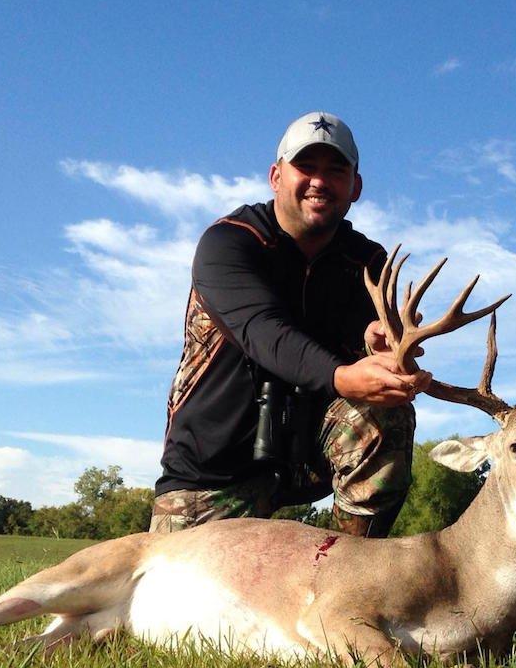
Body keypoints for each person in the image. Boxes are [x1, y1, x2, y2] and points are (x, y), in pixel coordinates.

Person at [150, 111, 430, 538]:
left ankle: (347, 582)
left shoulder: (368, 264)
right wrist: (342, 376)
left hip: (305, 460)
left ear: (355, 187)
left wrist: (377, 346)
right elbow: (263, 331)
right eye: (306, 167)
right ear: (276, 176)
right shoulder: (229, 244)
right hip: (213, 473)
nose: (320, 181)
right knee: (178, 599)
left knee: (387, 415)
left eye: (336, 170)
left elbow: (369, 335)